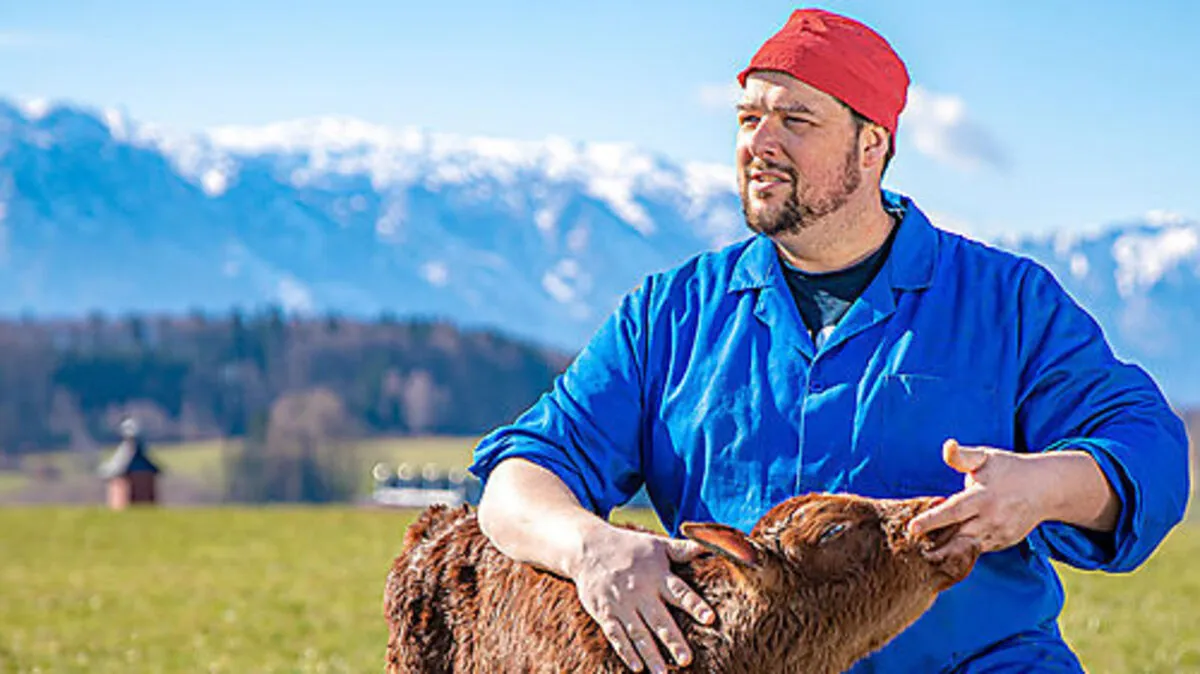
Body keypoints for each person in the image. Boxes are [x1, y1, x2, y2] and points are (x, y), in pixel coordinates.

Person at [468, 8, 1191, 673]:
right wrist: (591, 547)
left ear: (871, 145)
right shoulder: (670, 315)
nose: (760, 143)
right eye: (748, 117)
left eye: (796, 120)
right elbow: (520, 477)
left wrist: (1044, 487)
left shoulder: (1007, 302)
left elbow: (1149, 450)